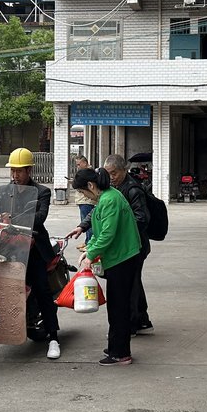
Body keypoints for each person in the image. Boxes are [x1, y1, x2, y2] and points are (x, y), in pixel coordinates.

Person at [0, 147, 61, 360]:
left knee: (41, 288)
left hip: (33, 246)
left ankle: (53, 337)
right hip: (7, 244)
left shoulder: (42, 192)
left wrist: (13, 221)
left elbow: (40, 218)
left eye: (19, 171)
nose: (15, 175)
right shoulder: (4, 190)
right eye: (13, 171)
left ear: (29, 170)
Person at [74, 154, 152, 333]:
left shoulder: (129, 191)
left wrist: (92, 253)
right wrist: (85, 232)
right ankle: (138, 321)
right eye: (107, 173)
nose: (110, 177)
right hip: (119, 251)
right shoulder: (108, 194)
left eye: (114, 173)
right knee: (127, 291)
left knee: (125, 295)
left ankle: (131, 327)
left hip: (127, 251)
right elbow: (98, 221)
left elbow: (111, 231)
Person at [72, 167, 141, 365]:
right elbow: (98, 231)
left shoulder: (110, 200)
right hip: (118, 257)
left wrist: (91, 254)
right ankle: (116, 346)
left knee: (119, 307)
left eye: (83, 192)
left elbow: (107, 235)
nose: (84, 196)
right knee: (116, 305)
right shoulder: (106, 198)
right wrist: (89, 249)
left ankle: (120, 353)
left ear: (91, 186)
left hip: (123, 258)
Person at [70, 156, 94, 240]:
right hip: (82, 201)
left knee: (88, 224)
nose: (77, 167)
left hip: (86, 201)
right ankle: (87, 241)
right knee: (84, 223)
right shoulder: (84, 172)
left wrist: (78, 185)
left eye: (79, 164)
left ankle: (89, 243)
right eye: (76, 165)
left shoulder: (89, 173)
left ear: (85, 163)